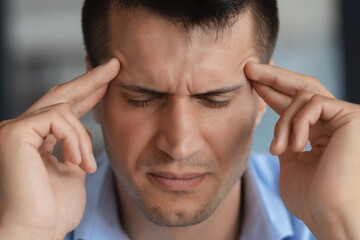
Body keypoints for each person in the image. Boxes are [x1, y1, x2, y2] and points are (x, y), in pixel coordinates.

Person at [0, 0, 359, 239]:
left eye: (214, 99)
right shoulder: (23, 217)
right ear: (93, 93)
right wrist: (26, 231)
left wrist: (339, 221)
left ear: (264, 94)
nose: (179, 144)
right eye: (143, 98)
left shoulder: (337, 212)